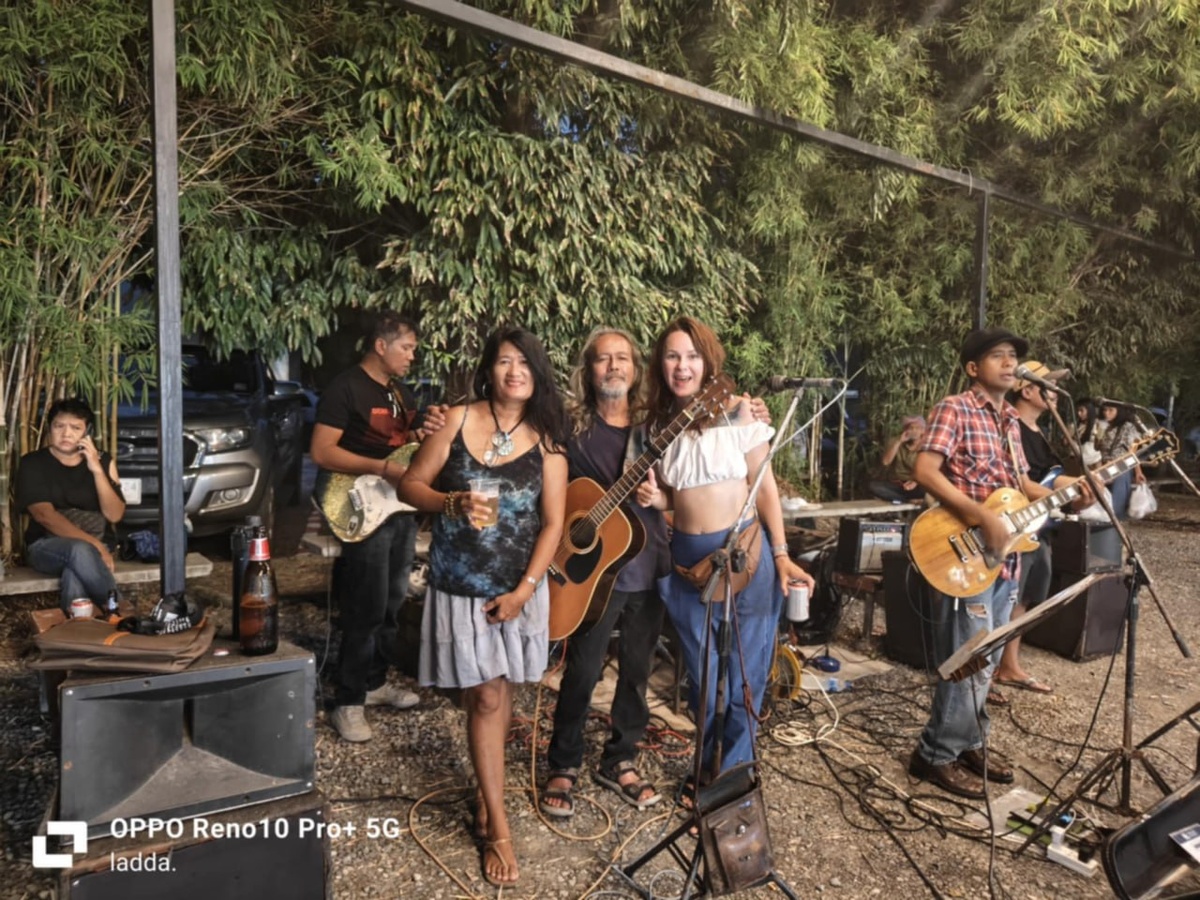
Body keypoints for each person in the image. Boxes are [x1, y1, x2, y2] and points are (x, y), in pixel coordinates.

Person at [397, 326, 569, 888]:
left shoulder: (548, 441)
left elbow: (553, 525)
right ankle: (499, 825)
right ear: (488, 371)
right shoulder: (455, 420)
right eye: (503, 361)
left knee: (500, 697)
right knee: (488, 696)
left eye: (524, 362)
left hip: (517, 591)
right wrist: (450, 501)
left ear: (537, 374)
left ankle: (487, 793)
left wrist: (524, 591)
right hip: (461, 588)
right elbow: (409, 486)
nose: (514, 371)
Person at [635, 317, 814, 789]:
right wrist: (656, 499)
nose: (682, 366)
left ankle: (732, 778)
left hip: (743, 555)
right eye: (673, 356)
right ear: (660, 364)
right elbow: (678, 495)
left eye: (693, 356)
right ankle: (708, 762)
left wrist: (781, 555)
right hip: (687, 563)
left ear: (708, 362)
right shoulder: (658, 424)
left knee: (744, 676)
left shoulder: (738, 412)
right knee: (702, 675)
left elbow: (764, 487)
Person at [907, 327, 1057, 800]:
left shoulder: (1011, 421)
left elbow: (1020, 483)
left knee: (987, 658)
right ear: (974, 368)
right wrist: (981, 516)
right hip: (965, 552)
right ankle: (934, 754)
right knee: (968, 658)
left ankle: (969, 741)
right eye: (999, 356)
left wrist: (1066, 491)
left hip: (1004, 560)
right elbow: (924, 470)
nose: (1010, 363)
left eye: (1014, 356)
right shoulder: (955, 408)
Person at [540, 328, 669, 817]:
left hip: (645, 565)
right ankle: (564, 762)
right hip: (589, 572)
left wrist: (658, 497)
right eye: (603, 359)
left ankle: (620, 759)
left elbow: (683, 490)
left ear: (635, 369)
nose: (613, 366)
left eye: (622, 358)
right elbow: (552, 490)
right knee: (583, 669)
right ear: (588, 369)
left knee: (637, 671)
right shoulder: (569, 426)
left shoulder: (656, 427)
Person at [311, 312, 445, 743]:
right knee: (364, 606)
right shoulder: (346, 388)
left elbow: (406, 446)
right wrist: (381, 468)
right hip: (362, 505)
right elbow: (322, 452)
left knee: (391, 602)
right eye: (406, 347)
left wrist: (427, 429)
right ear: (381, 345)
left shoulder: (400, 393)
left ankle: (373, 683)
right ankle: (347, 701)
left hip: (397, 506)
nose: (412, 356)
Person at [992, 360, 1077, 697]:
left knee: (1025, 597)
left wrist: (1080, 491)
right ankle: (981, 673)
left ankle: (1008, 664)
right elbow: (1019, 483)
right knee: (1002, 597)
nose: (1055, 392)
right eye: (1048, 386)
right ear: (1026, 390)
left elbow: (1050, 479)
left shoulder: (1040, 433)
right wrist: (1066, 495)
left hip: (1040, 527)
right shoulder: (1009, 426)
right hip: (1014, 525)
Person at [15, 398, 126, 615]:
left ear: (87, 432)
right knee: (79, 551)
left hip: (95, 547)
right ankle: (122, 613)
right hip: (46, 546)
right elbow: (44, 515)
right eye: (59, 426)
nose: (66, 434)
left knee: (74, 572)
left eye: (75, 428)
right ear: (49, 429)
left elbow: (114, 515)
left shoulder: (103, 461)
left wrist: (96, 470)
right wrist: (96, 545)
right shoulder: (32, 463)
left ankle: (78, 627)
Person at [1096, 403, 1145, 520]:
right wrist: (1098, 436)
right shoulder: (1107, 427)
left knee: (1118, 500)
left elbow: (1132, 450)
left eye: (1110, 410)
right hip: (1105, 467)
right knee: (1104, 500)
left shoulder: (1127, 427)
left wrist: (1138, 472)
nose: (1106, 413)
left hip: (1121, 466)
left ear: (1119, 411)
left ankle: (1117, 523)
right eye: (1104, 410)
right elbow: (1098, 448)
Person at [869, 416, 927, 503]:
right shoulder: (896, 441)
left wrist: (916, 481)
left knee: (932, 488)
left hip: (917, 484)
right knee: (874, 486)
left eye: (917, 428)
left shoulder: (928, 446)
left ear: (923, 431)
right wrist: (899, 441)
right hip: (898, 485)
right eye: (911, 428)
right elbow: (885, 462)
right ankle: (906, 500)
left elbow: (929, 470)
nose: (914, 431)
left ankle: (900, 499)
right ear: (905, 430)